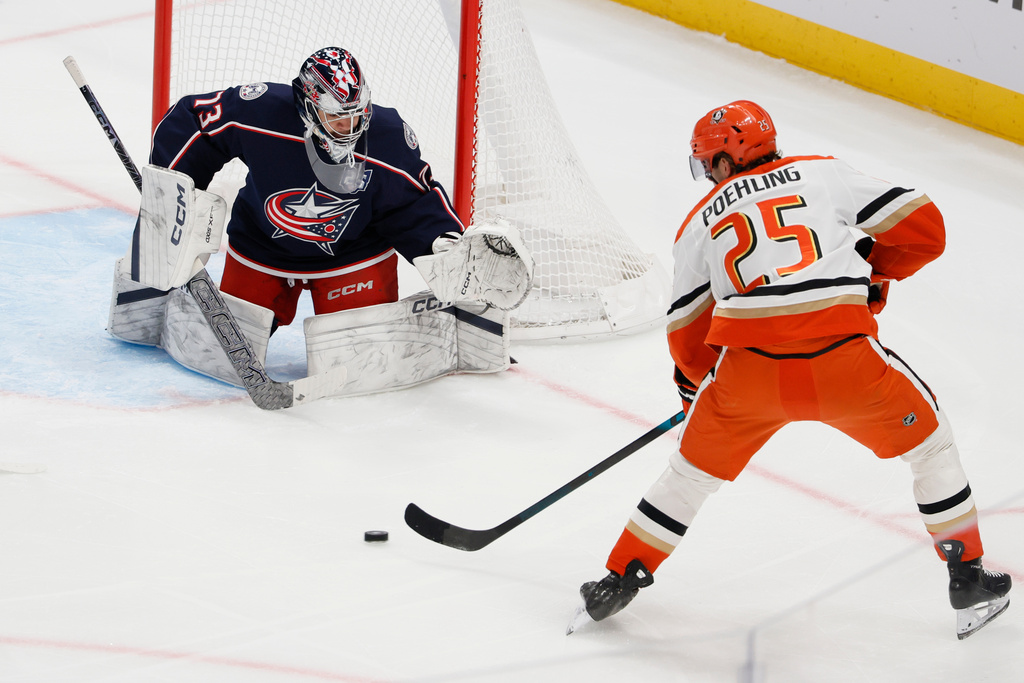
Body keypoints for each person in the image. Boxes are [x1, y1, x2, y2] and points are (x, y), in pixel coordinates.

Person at [570, 100, 1010, 640]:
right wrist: (875, 272)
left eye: (708, 164)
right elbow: (926, 229)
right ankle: (967, 577)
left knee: (688, 476)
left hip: (748, 378)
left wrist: (696, 396)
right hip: (847, 364)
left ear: (725, 163)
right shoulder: (823, 173)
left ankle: (619, 579)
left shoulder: (697, 224)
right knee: (932, 448)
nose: (707, 175)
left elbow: (686, 334)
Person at [108, 47, 532, 394]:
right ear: (308, 105)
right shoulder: (260, 112)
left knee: (361, 365)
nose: (350, 127)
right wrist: (174, 187)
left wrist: (443, 244)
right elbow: (194, 121)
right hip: (263, 248)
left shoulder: (385, 135)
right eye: (337, 116)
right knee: (219, 350)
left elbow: (412, 201)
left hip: (353, 255)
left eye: (357, 113)